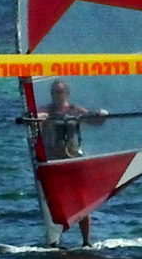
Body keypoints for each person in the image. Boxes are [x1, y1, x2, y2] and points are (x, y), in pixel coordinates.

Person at [37, 79, 108, 247]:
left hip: (73, 160)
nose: (57, 96)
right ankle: (54, 239)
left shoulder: (74, 110)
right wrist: (36, 119)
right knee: (54, 202)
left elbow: (93, 120)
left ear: (66, 93)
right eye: (54, 92)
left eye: (60, 92)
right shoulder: (47, 111)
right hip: (53, 162)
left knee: (81, 201)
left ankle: (86, 241)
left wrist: (101, 115)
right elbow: (38, 117)